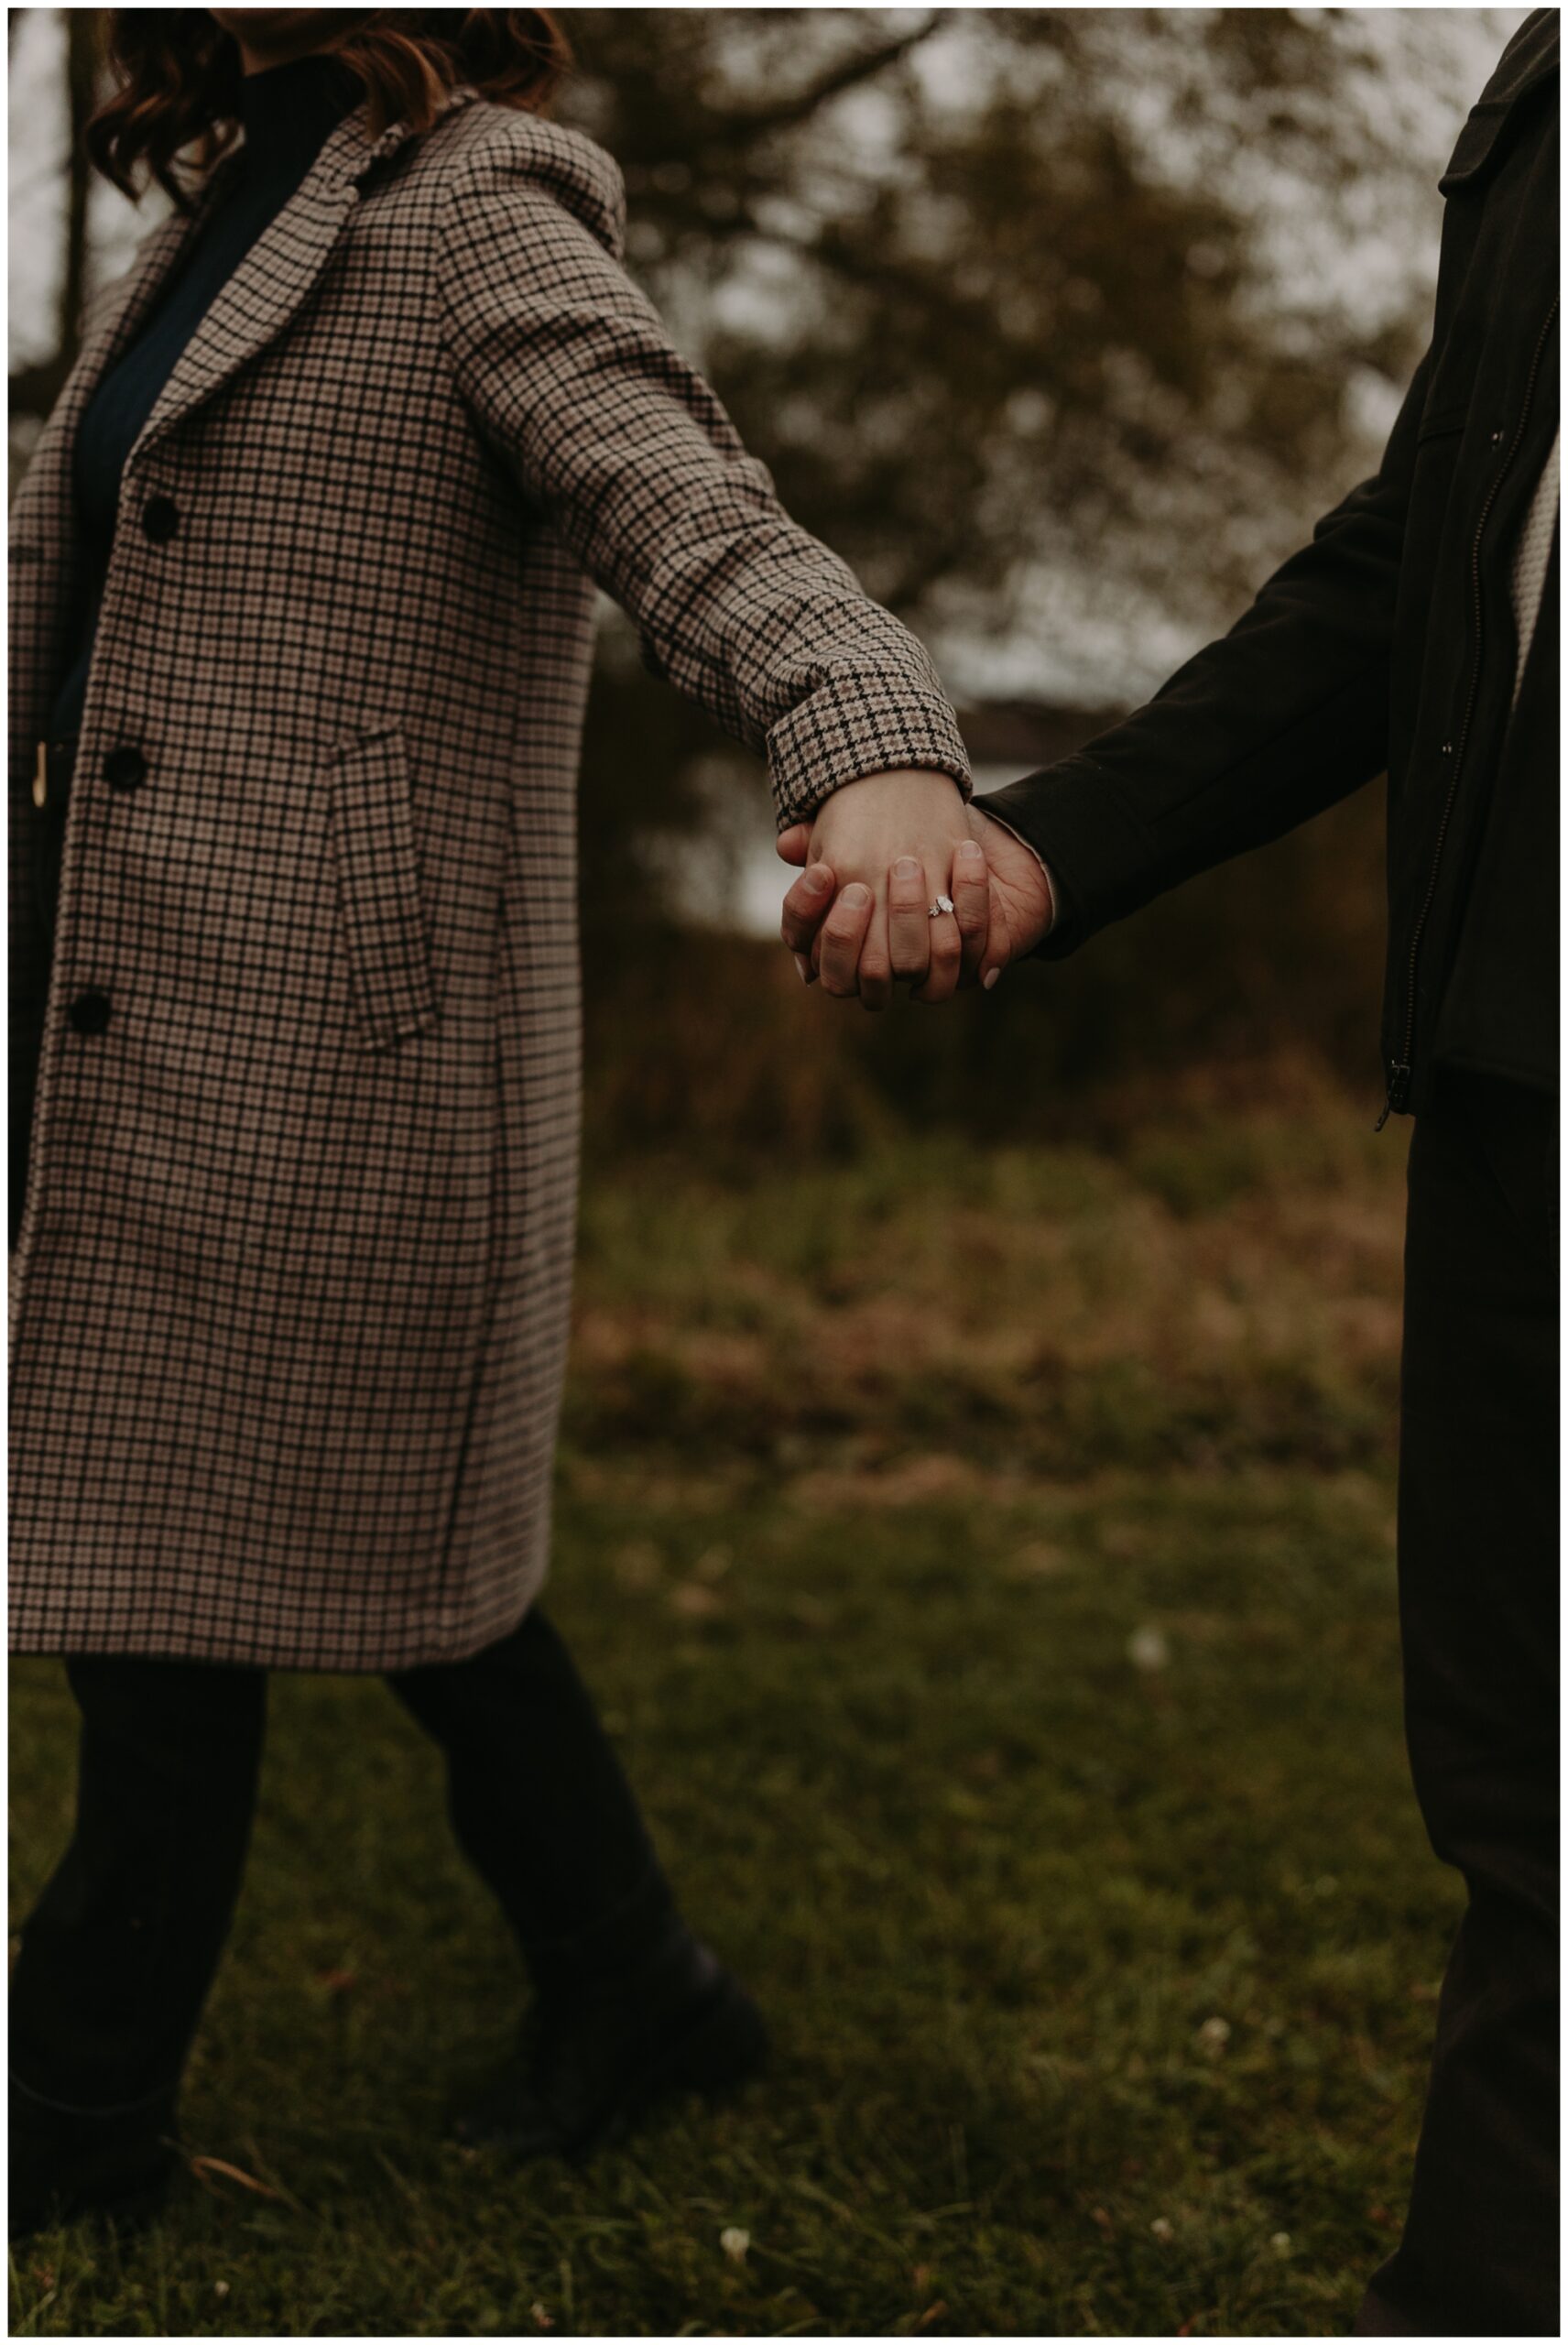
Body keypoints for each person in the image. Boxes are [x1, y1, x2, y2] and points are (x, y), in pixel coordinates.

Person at [7, 6, 986, 2241]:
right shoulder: (202, 210)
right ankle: (640, 1981)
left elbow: (697, 512)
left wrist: (869, 732)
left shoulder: (472, 207)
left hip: (326, 1062)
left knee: (170, 1601)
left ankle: (64, 2136)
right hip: (125, 1029)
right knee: (415, 1583)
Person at [785, 12, 1559, 2334]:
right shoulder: (1547, 85)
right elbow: (1412, 564)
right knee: (1527, 1773)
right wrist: (1039, 855)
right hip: (1526, 1050)